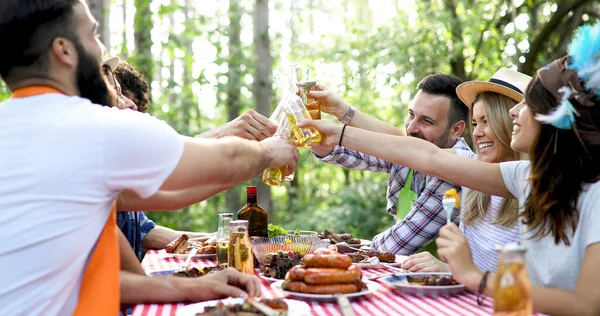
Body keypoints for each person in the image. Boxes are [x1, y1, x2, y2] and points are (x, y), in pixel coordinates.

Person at [0, 1, 298, 315]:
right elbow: (222, 162)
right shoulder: (94, 127)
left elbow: (72, 281)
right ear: (64, 50)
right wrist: (268, 151)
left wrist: (196, 287)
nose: (100, 49)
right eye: (93, 35)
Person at [300, 22, 600, 315]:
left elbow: (587, 306)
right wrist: (339, 131)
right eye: (475, 122)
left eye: (527, 104)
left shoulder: (595, 196)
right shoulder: (525, 177)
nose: (514, 111)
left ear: (558, 119)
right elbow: (429, 157)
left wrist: (472, 275)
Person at [104, 57, 278, 260]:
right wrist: (255, 154)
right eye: (118, 95)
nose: (130, 105)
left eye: (135, 103)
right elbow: (168, 178)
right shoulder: (100, 166)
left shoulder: (118, 163)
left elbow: (145, 231)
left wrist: (215, 238)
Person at [309, 74, 471, 255]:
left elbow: (395, 245)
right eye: (411, 115)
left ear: (456, 129)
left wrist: (334, 247)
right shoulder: (410, 153)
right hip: (408, 275)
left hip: (446, 281)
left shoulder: (459, 170)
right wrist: (314, 127)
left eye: (427, 121)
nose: (411, 128)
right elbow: (342, 152)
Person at [402, 68, 529, 273]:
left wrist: (447, 269)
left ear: (512, 121)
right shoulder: (470, 170)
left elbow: (523, 284)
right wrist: (342, 126)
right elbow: (414, 150)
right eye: (474, 123)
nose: (477, 133)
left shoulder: (533, 184)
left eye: (487, 121)